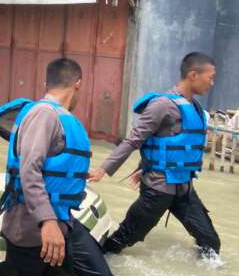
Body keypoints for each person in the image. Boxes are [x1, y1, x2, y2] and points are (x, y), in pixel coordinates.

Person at [0, 58, 116, 276]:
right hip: (30, 227)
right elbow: (29, 170)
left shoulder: (58, 118)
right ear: (78, 84)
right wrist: (47, 222)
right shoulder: (44, 114)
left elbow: (51, 170)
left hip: (63, 223)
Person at [89, 52, 221, 259]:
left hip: (184, 189)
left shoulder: (194, 107)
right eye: (210, 77)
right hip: (158, 189)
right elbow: (135, 139)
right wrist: (103, 169)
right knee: (123, 239)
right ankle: (93, 264)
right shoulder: (162, 105)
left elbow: (168, 143)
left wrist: (142, 165)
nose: (212, 83)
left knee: (211, 244)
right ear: (193, 75)